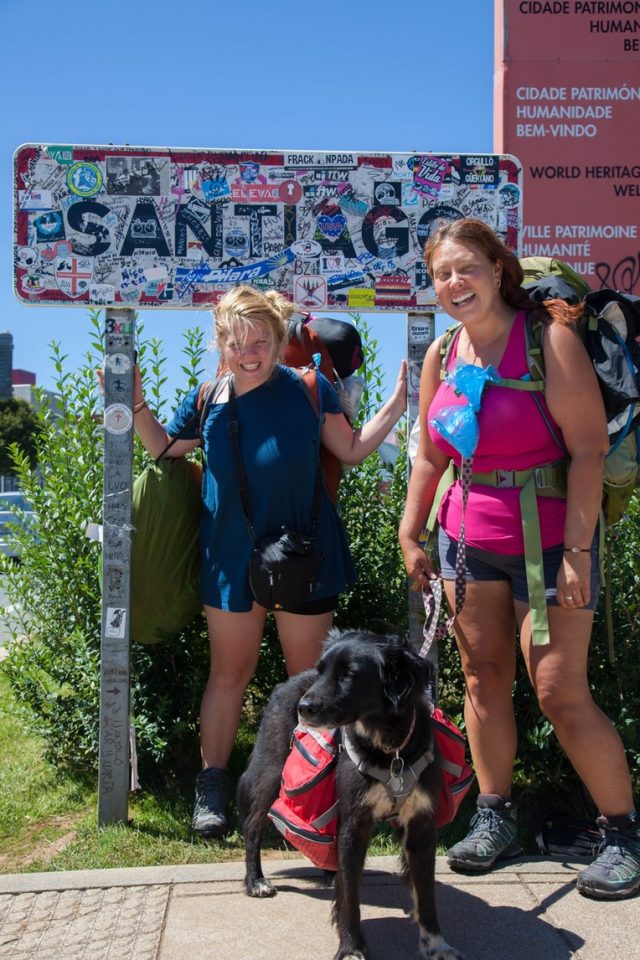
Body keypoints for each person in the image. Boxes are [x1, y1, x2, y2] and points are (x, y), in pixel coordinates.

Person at [398, 217, 639, 900]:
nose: (453, 283)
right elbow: (431, 453)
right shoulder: (444, 355)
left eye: (466, 268)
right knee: (482, 680)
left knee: (561, 693)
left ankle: (623, 833)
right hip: (467, 543)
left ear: (498, 269)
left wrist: (579, 554)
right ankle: (494, 816)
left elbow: (588, 449)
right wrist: (410, 532)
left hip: (548, 542)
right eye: (442, 274)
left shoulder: (547, 340)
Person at [132, 285, 407, 838]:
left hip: (305, 558)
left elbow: (351, 449)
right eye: (237, 342)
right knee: (228, 675)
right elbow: (163, 448)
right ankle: (212, 786)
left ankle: (308, 793)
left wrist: (399, 403)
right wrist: (134, 401)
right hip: (229, 561)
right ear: (220, 344)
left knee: (308, 683)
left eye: (261, 339)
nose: (250, 351)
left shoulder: (309, 389)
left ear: (279, 339)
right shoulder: (209, 396)